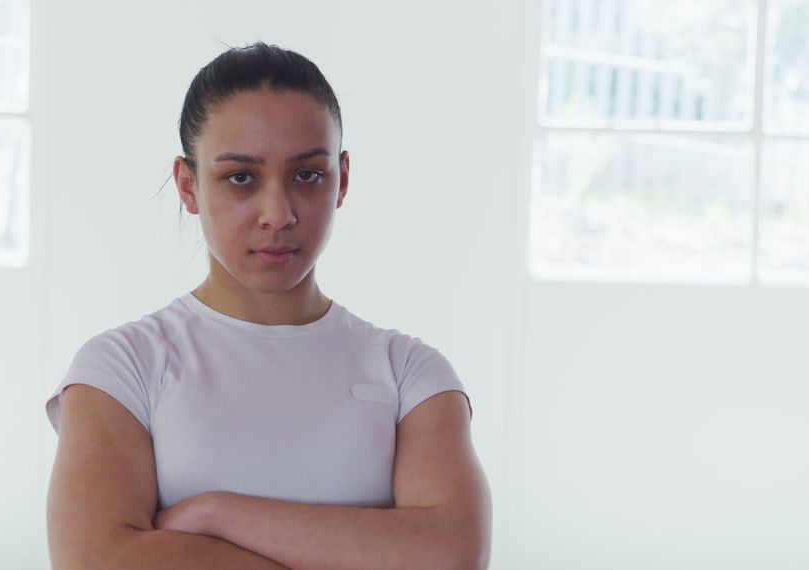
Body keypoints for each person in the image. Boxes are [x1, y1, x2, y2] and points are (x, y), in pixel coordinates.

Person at [45, 42, 492, 569]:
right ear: (188, 185)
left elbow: (451, 555)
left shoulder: (412, 373)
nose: (278, 214)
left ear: (341, 179)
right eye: (240, 177)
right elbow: (97, 559)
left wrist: (217, 514)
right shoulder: (120, 367)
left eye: (307, 175)